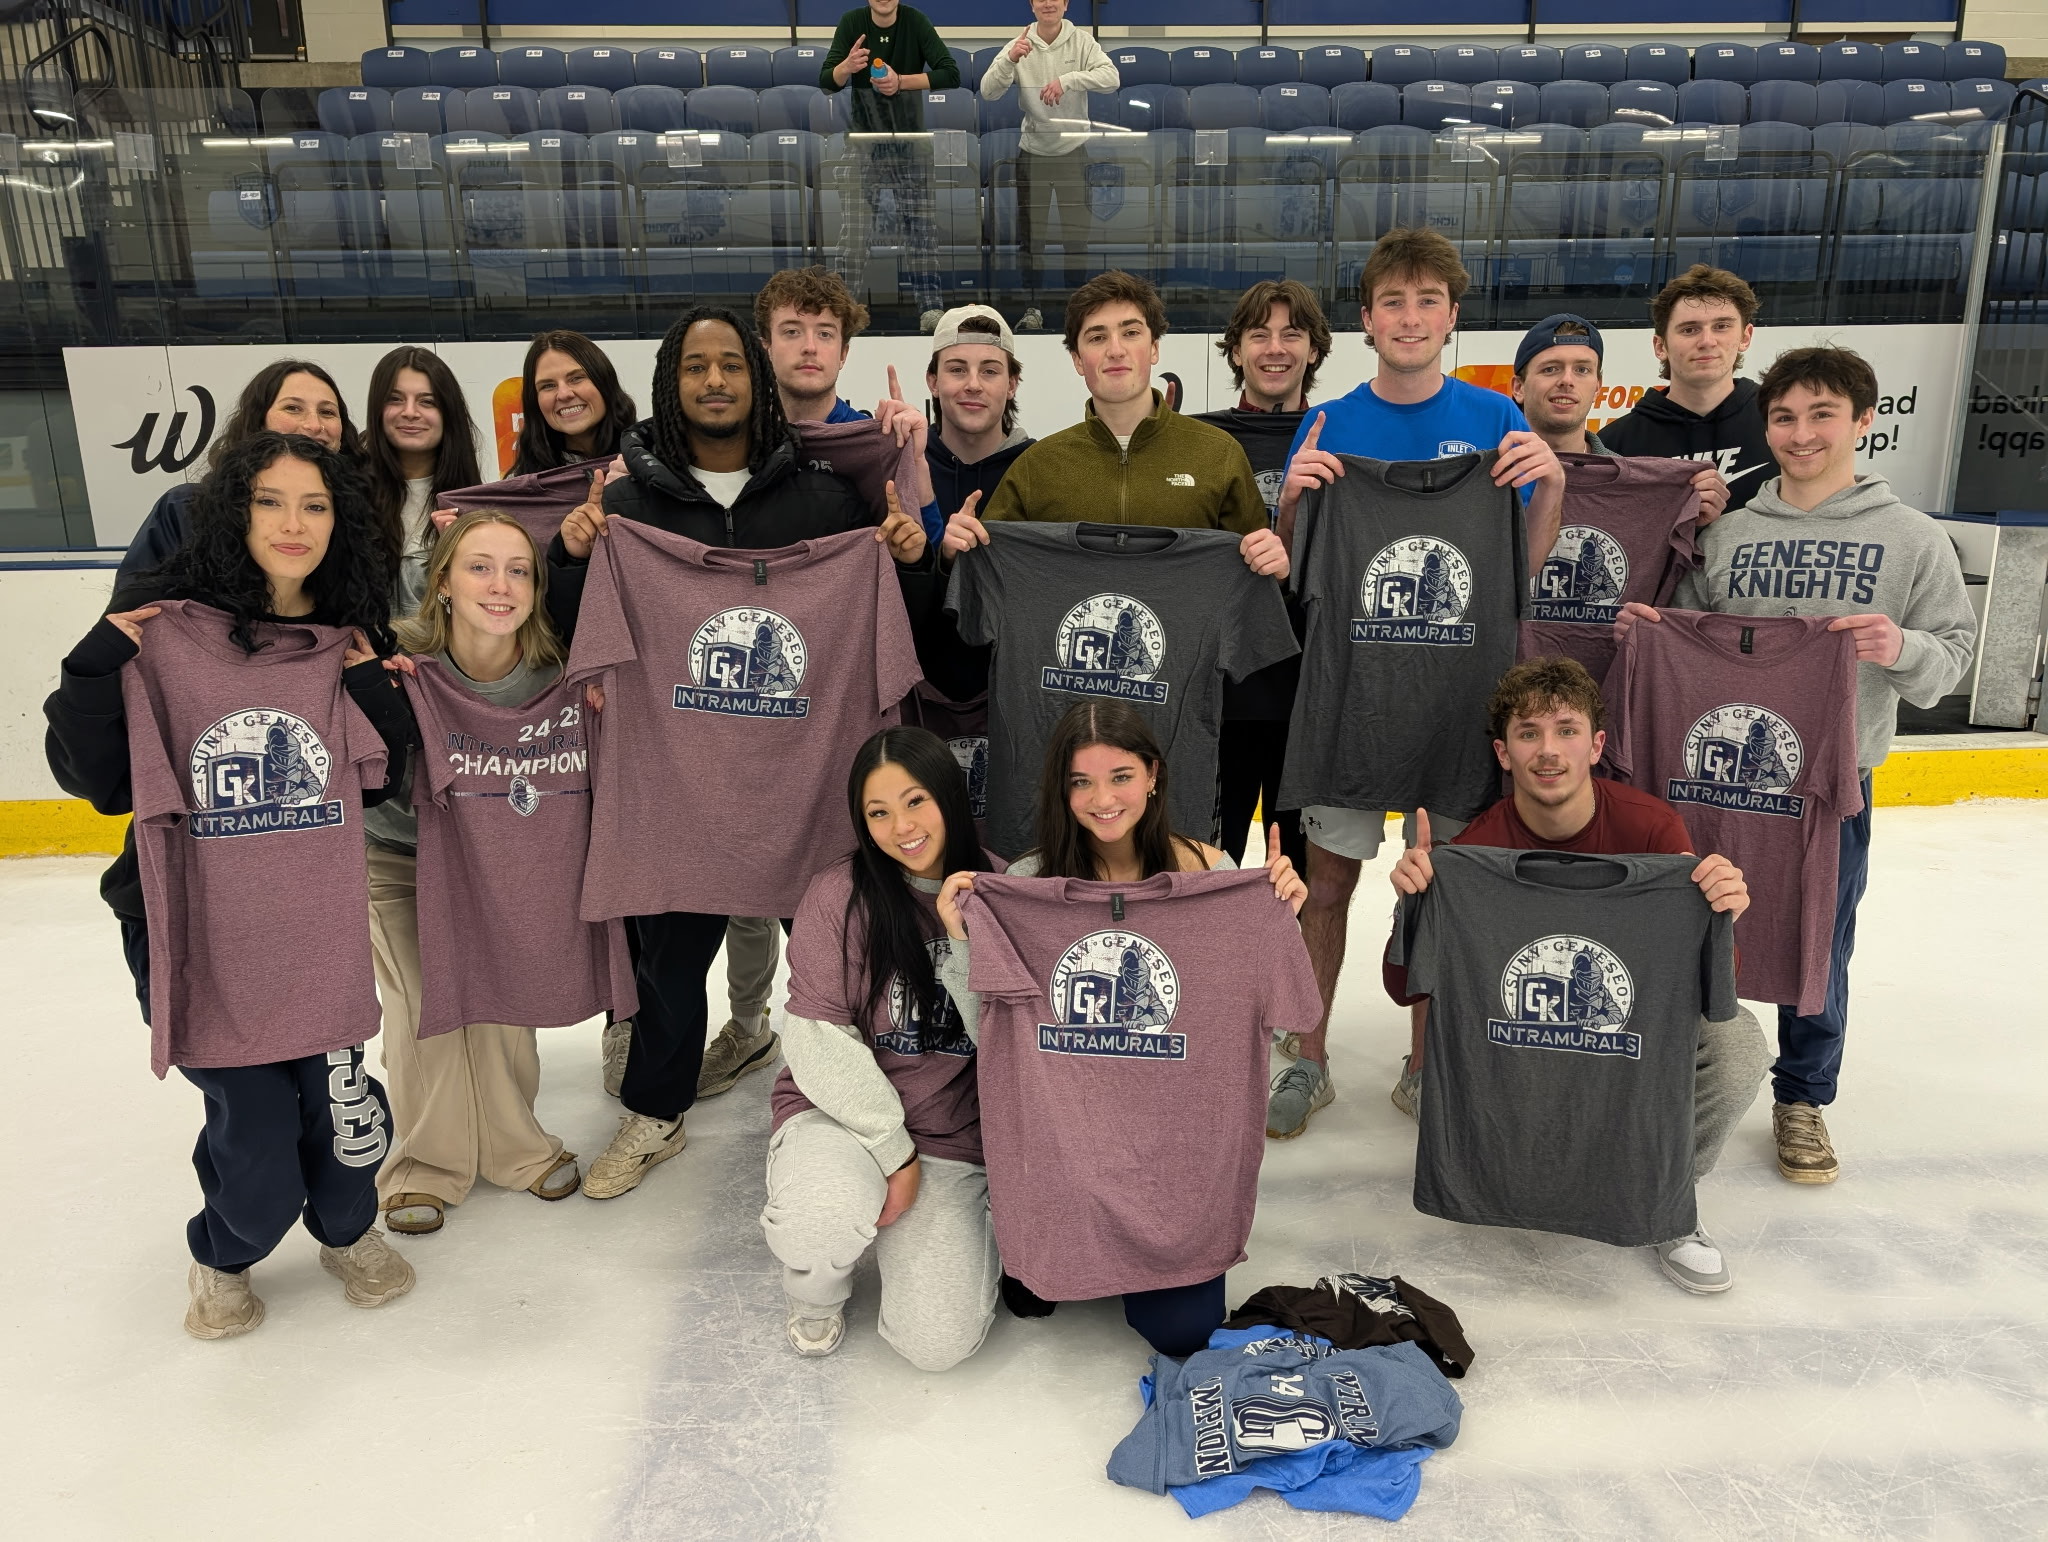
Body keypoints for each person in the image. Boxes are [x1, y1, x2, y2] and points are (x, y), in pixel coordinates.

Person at [546, 305, 932, 1200]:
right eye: (696, 366)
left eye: (730, 363)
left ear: (757, 379)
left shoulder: (827, 501)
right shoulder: (628, 506)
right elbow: (575, 642)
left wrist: (909, 562)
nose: (714, 380)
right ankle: (657, 1110)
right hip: (676, 785)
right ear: (670, 382)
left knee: (839, 963)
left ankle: (878, 1107)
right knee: (670, 969)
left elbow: (896, 640)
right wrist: (569, 558)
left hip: (808, 787)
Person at [44, 431, 417, 1338]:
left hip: (315, 939)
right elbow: (101, 783)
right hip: (206, 938)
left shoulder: (342, 643)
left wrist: (375, 685)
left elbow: (384, 778)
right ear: (230, 514)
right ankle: (225, 1251)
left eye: (315, 505)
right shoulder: (167, 636)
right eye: (269, 501)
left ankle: (348, 1231)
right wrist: (93, 669)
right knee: (256, 1141)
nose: (295, 523)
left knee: (346, 1120)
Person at [1616, 345, 1974, 1188]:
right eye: (1784, 416)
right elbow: (1683, 640)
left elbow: (1953, 658)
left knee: (1819, 941)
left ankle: (1803, 1095)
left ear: (1863, 421)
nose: (1801, 433)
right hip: (1711, 781)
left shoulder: (1912, 539)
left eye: (1822, 415)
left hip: (1825, 790)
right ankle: (1677, 1068)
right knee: (1692, 927)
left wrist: (1901, 645)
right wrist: (1648, 633)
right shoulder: (1730, 534)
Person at [1267, 226, 1565, 1139]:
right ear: (1367, 319)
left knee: (1441, 889)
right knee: (1325, 887)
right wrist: (1290, 502)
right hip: (1348, 700)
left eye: (1426, 300)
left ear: (1451, 316)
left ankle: (1426, 1064)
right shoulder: (1330, 424)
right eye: (1392, 301)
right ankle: (1307, 1059)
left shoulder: (1499, 421)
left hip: (1459, 705)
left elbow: (1519, 574)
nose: (1409, 317)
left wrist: (1552, 486)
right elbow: (1293, 574)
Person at [933, 701, 1306, 1355]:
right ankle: (1041, 1224)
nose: (1103, 799)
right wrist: (960, 940)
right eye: (1081, 782)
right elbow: (987, 1035)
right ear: (1061, 789)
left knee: (1184, 1333)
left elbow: (1281, 1023)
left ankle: (1136, 1252)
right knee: (1033, 1291)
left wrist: (1275, 920)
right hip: (1064, 1154)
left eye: (1121, 776)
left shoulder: (1214, 878)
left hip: (1171, 1166)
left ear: (1154, 775)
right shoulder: (1025, 886)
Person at [1382, 656, 1763, 1292]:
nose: (1548, 750)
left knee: (1738, 1048)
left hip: (1629, 1027)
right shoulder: (1475, 851)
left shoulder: (1651, 827)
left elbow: (1708, 988)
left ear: (1597, 745)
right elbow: (1406, 989)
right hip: (1524, 1040)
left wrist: (1723, 913)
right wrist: (1413, 904)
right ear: (1503, 753)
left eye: (1566, 730)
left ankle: (1667, 1197)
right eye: (1528, 733)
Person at [361, 511, 585, 1235]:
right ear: (444, 583)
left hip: (503, 864)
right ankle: (425, 1166)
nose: (500, 585)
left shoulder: (558, 674)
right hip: (400, 856)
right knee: (424, 1004)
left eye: (518, 571)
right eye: (480, 567)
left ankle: (518, 1147)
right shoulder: (397, 661)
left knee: (502, 997)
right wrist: (381, 699)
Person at [763, 727, 1002, 1365]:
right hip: (840, 1117)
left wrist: (963, 941)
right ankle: (816, 1292)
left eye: (916, 800)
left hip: (952, 1136)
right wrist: (894, 1153)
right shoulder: (837, 894)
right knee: (821, 1215)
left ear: (950, 796)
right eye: (879, 812)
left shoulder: (1003, 889)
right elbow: (817, 1038)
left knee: (936, 1345)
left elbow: (1012, 1042)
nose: (902, 827)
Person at [942, 270, 1288, 587]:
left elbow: (1256, 591)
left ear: (1154, 348)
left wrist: (1277, 572)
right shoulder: (1037, 467)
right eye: (1097, 337)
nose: (1116, 350)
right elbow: (989, 584)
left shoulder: (1218, 454)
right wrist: (956, 557)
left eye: (1131, 333)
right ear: (1078, 360)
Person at [1199, 279, 1333, 876]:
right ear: (1235, 350)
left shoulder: (1344, 434)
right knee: (1207, 876)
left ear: (1314, 348)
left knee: (1301, 882)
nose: (1275, 348)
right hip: (1216, 698)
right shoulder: (1196, 440)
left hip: (1308, 699)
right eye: (1259, 334)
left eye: (1291, 334)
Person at [118, 359, 362, 587]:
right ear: (258, 421)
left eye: (327, 412)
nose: (314, 425)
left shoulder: (359, 513)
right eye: (293, 408)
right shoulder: (185, 508)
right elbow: (135, 605)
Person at [977, 0, 1118, 326]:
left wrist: (1067, 80)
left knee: (1076, 239)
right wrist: (1010, 60)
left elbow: (1112, 78)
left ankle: (1078, 311)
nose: (1048, 3)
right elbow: (988, 91)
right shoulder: (1020, 42)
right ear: (1032, 5)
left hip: (1074, 153)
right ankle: (1033, 308)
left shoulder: (1081, 41)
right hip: (1033, 155)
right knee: (1032, 239)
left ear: (1066, 4)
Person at [820, 0, 960, 330]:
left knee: (921, 232)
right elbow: (827, 81)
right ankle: (842, 313)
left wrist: (902, 81)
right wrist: (846, 67)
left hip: (911, 143)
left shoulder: (916, 21)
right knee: (854, 235)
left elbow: (951, 74)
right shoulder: (852, 22)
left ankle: (930, 309)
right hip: (863, 143)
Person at [1510, 312, 1729, 521]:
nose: (1567, 381)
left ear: (1598, 387)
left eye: (1582, 370)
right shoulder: (1493, 472)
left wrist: (1694, 522)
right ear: (1519, 388)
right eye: (1550, 369)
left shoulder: (1634, 485)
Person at [1597, 266, 1774, 513]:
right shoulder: (1613, 445)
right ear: (1660, 346)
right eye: (1689, 329)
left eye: (1722, 326)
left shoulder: (1781, 422)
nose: (1707, 341)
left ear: (1746, 337)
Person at [364, 346, 483, 615]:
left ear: (449, 413)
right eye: (395, 399)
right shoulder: (347, 494)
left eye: (427, 402)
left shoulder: (475, 504)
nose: (410, 412)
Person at [509, 330, 636, 475]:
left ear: (604, 382)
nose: (564, 394)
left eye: (576, 378)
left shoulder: (649, 459)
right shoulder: (520, 485)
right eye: (548, 386)